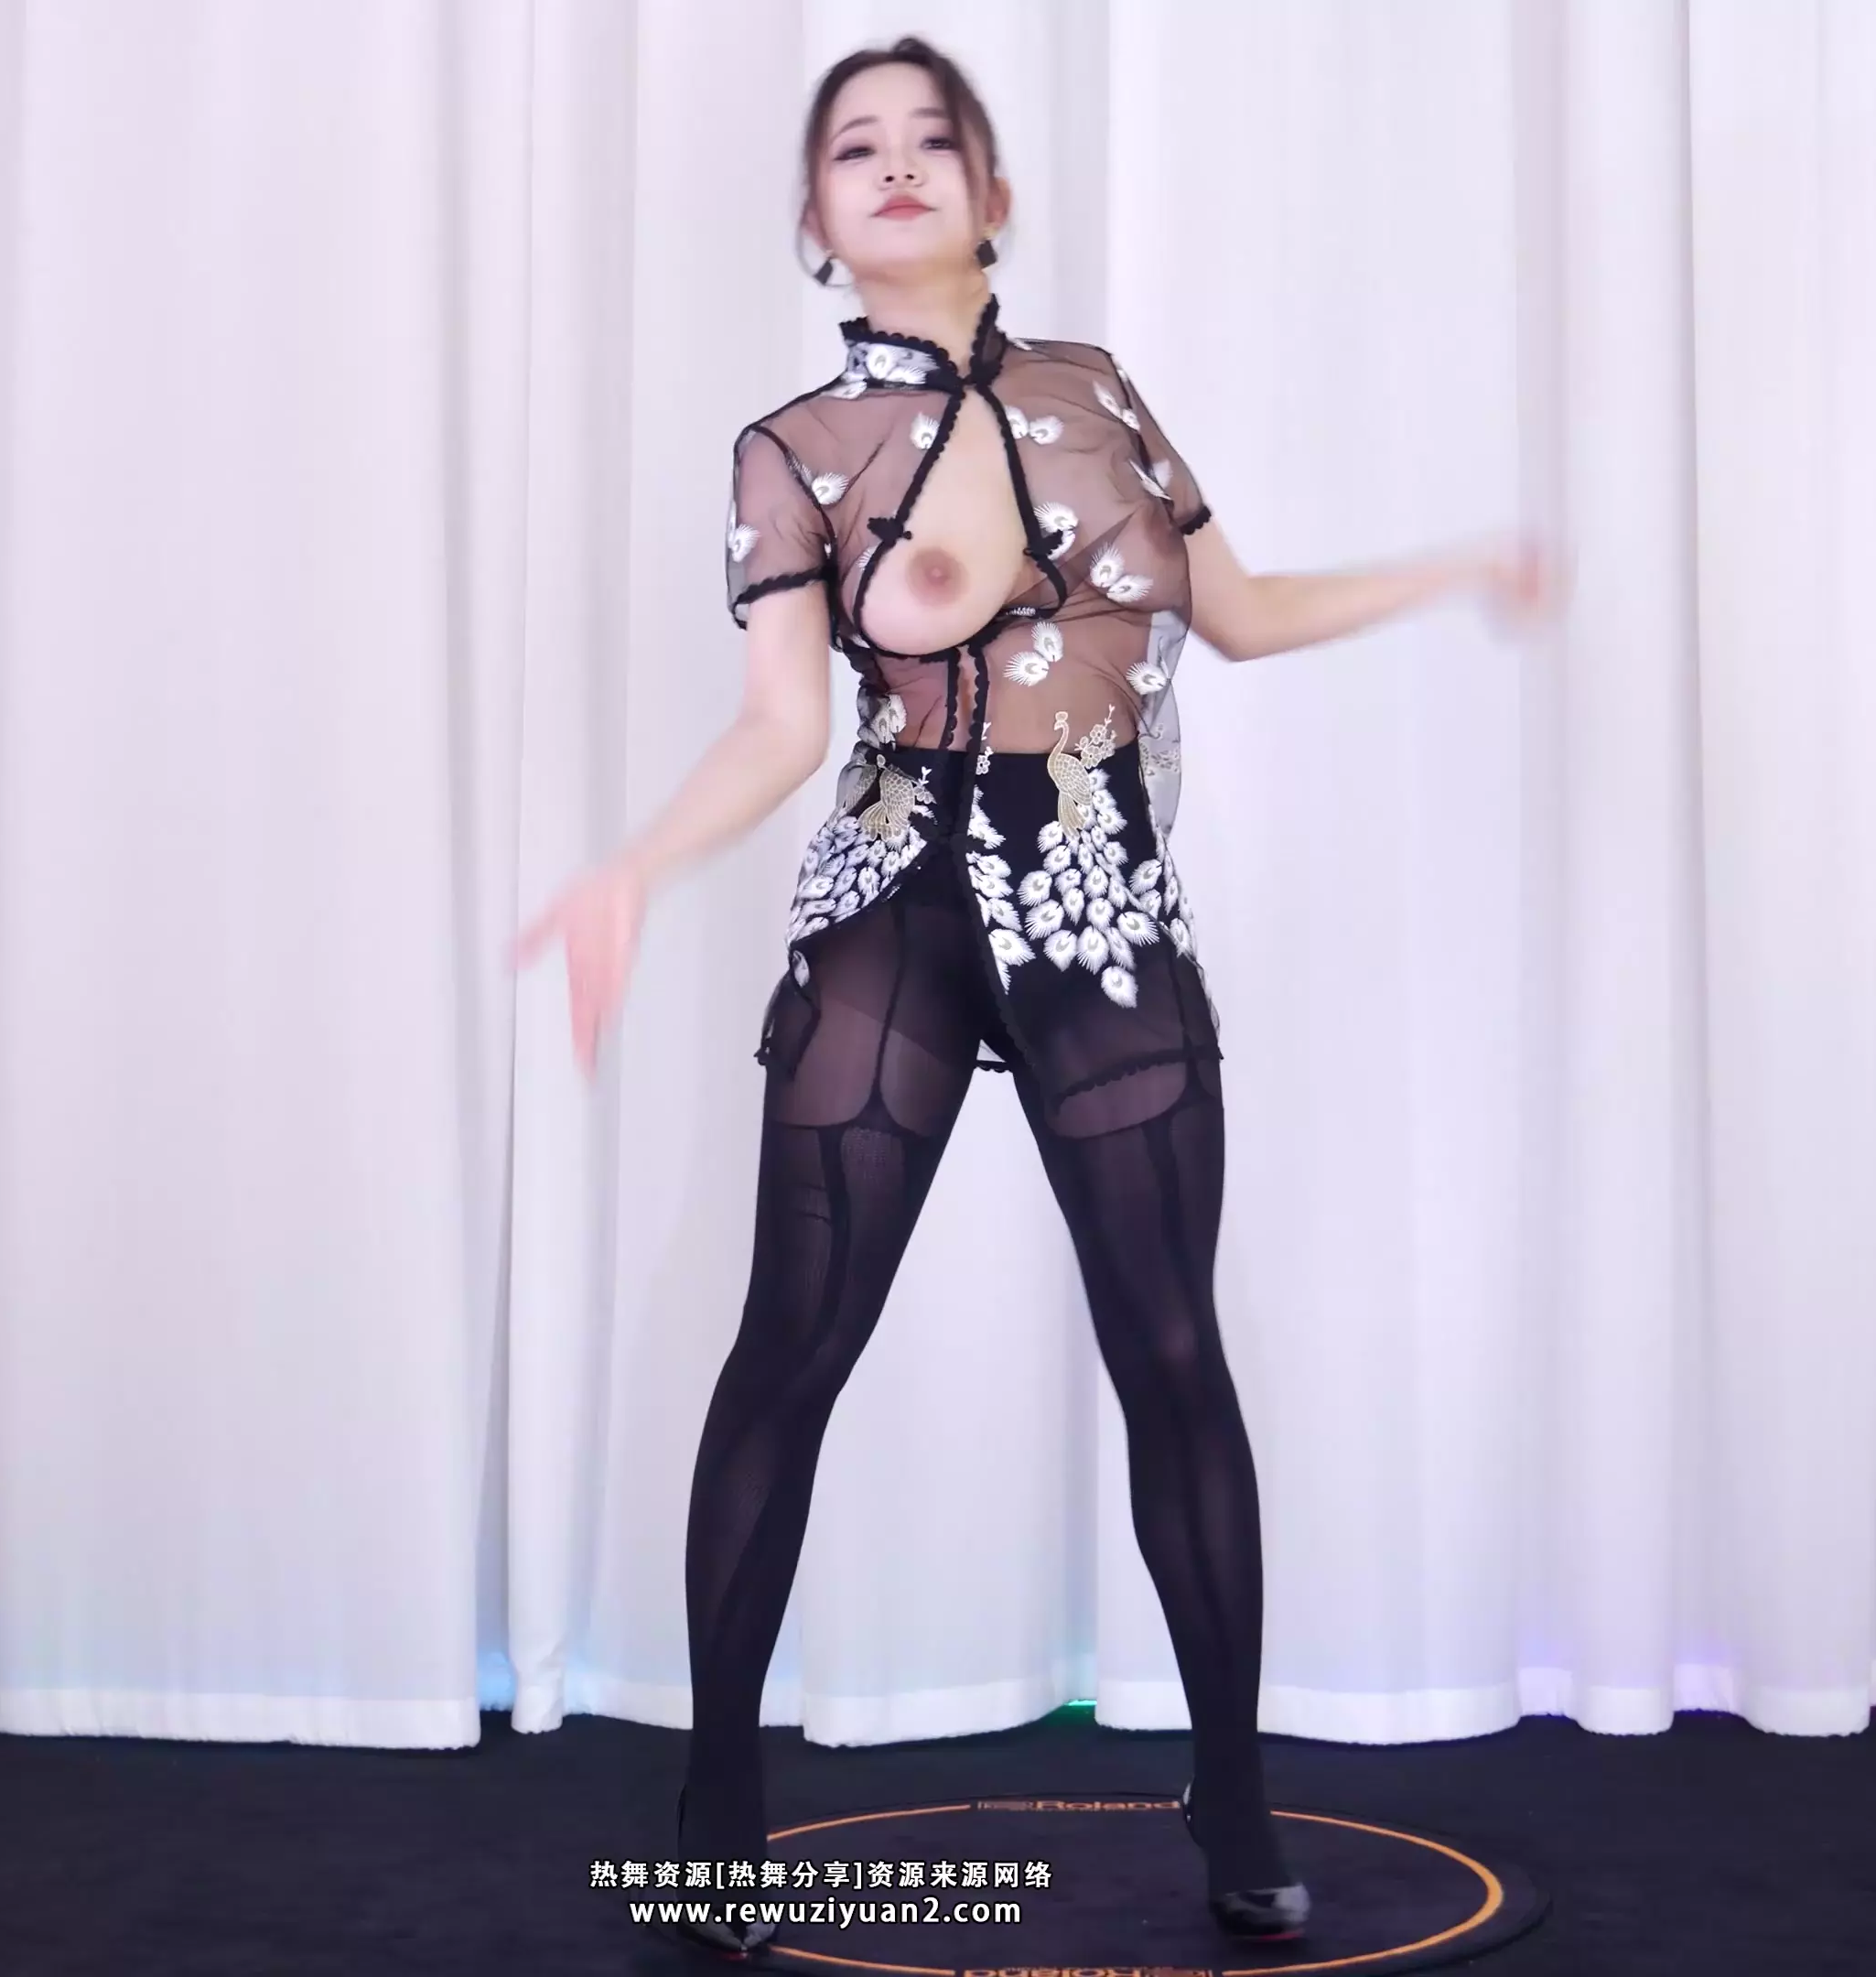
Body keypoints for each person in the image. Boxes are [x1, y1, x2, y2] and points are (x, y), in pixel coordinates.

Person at [511, 34, 1556, 1960]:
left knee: (1173, 1354)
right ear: (815, 217)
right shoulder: (793, 448)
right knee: (790, 1350)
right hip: (896, 894)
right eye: (857, 149)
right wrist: (632, 872)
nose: (898, 166)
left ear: (993, 195)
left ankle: (1232, 1786)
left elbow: (1241, 618)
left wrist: (1451, 569)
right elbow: (779, 727)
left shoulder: (1097, 394)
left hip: (1098, 897)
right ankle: (719, 1794)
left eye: (936, 141)